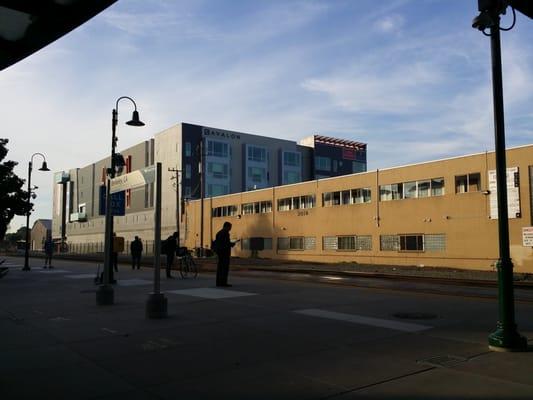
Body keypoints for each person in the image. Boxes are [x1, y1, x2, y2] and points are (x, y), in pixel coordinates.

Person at [214, 222, 238, 287]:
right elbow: (226, 243)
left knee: (220, 268)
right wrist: (232, 244)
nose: (230, 229)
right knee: (224, 268)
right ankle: (223, 282)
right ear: (226, 226)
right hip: (225, 253)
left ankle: (218, 282)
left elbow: (219, 243)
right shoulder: (225, 233)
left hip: (220, 253)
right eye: (230, 227)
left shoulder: (218, 233)